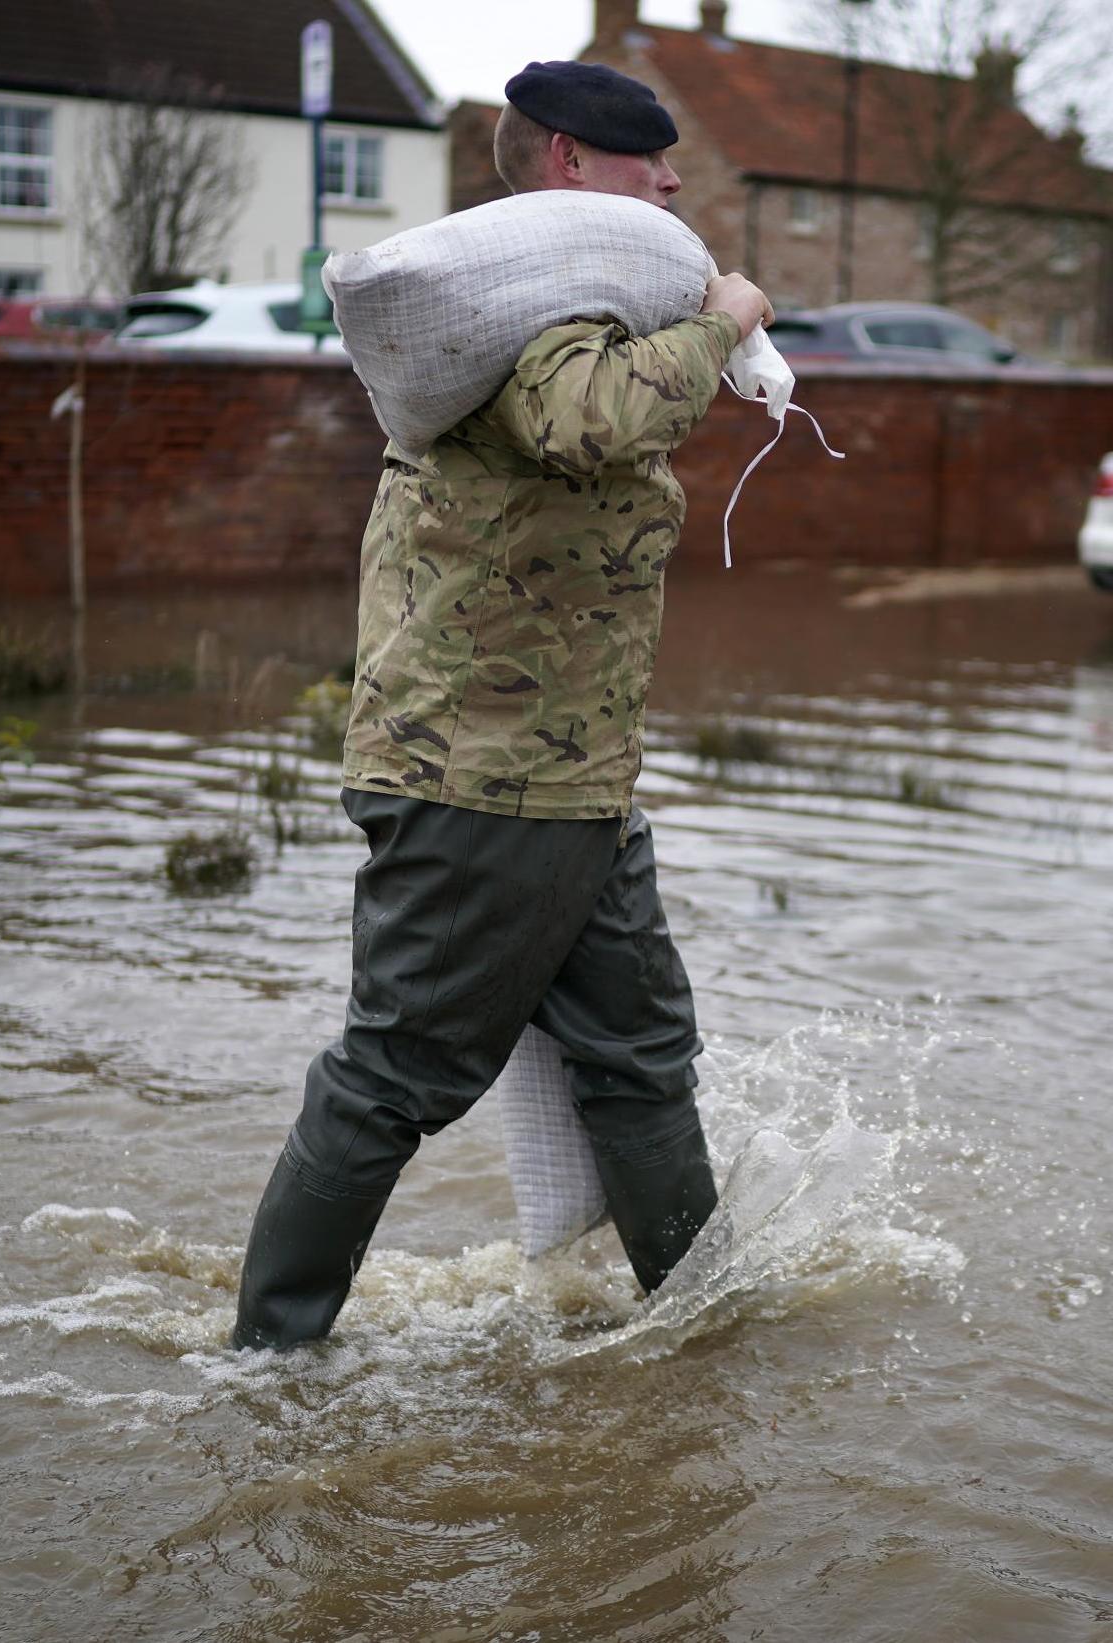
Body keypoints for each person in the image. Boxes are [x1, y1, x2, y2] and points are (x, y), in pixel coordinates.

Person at [230, 61, 774, 1352]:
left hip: (571, 782)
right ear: (572, 164)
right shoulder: (538, 314)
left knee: (640, 1059)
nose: (675, 180)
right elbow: (587, 424)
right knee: (392, 1080)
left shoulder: (557, 302)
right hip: (482, 780)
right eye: (651, 158)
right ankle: (263, 1368)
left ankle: (700, 1341)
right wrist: (722, 320)